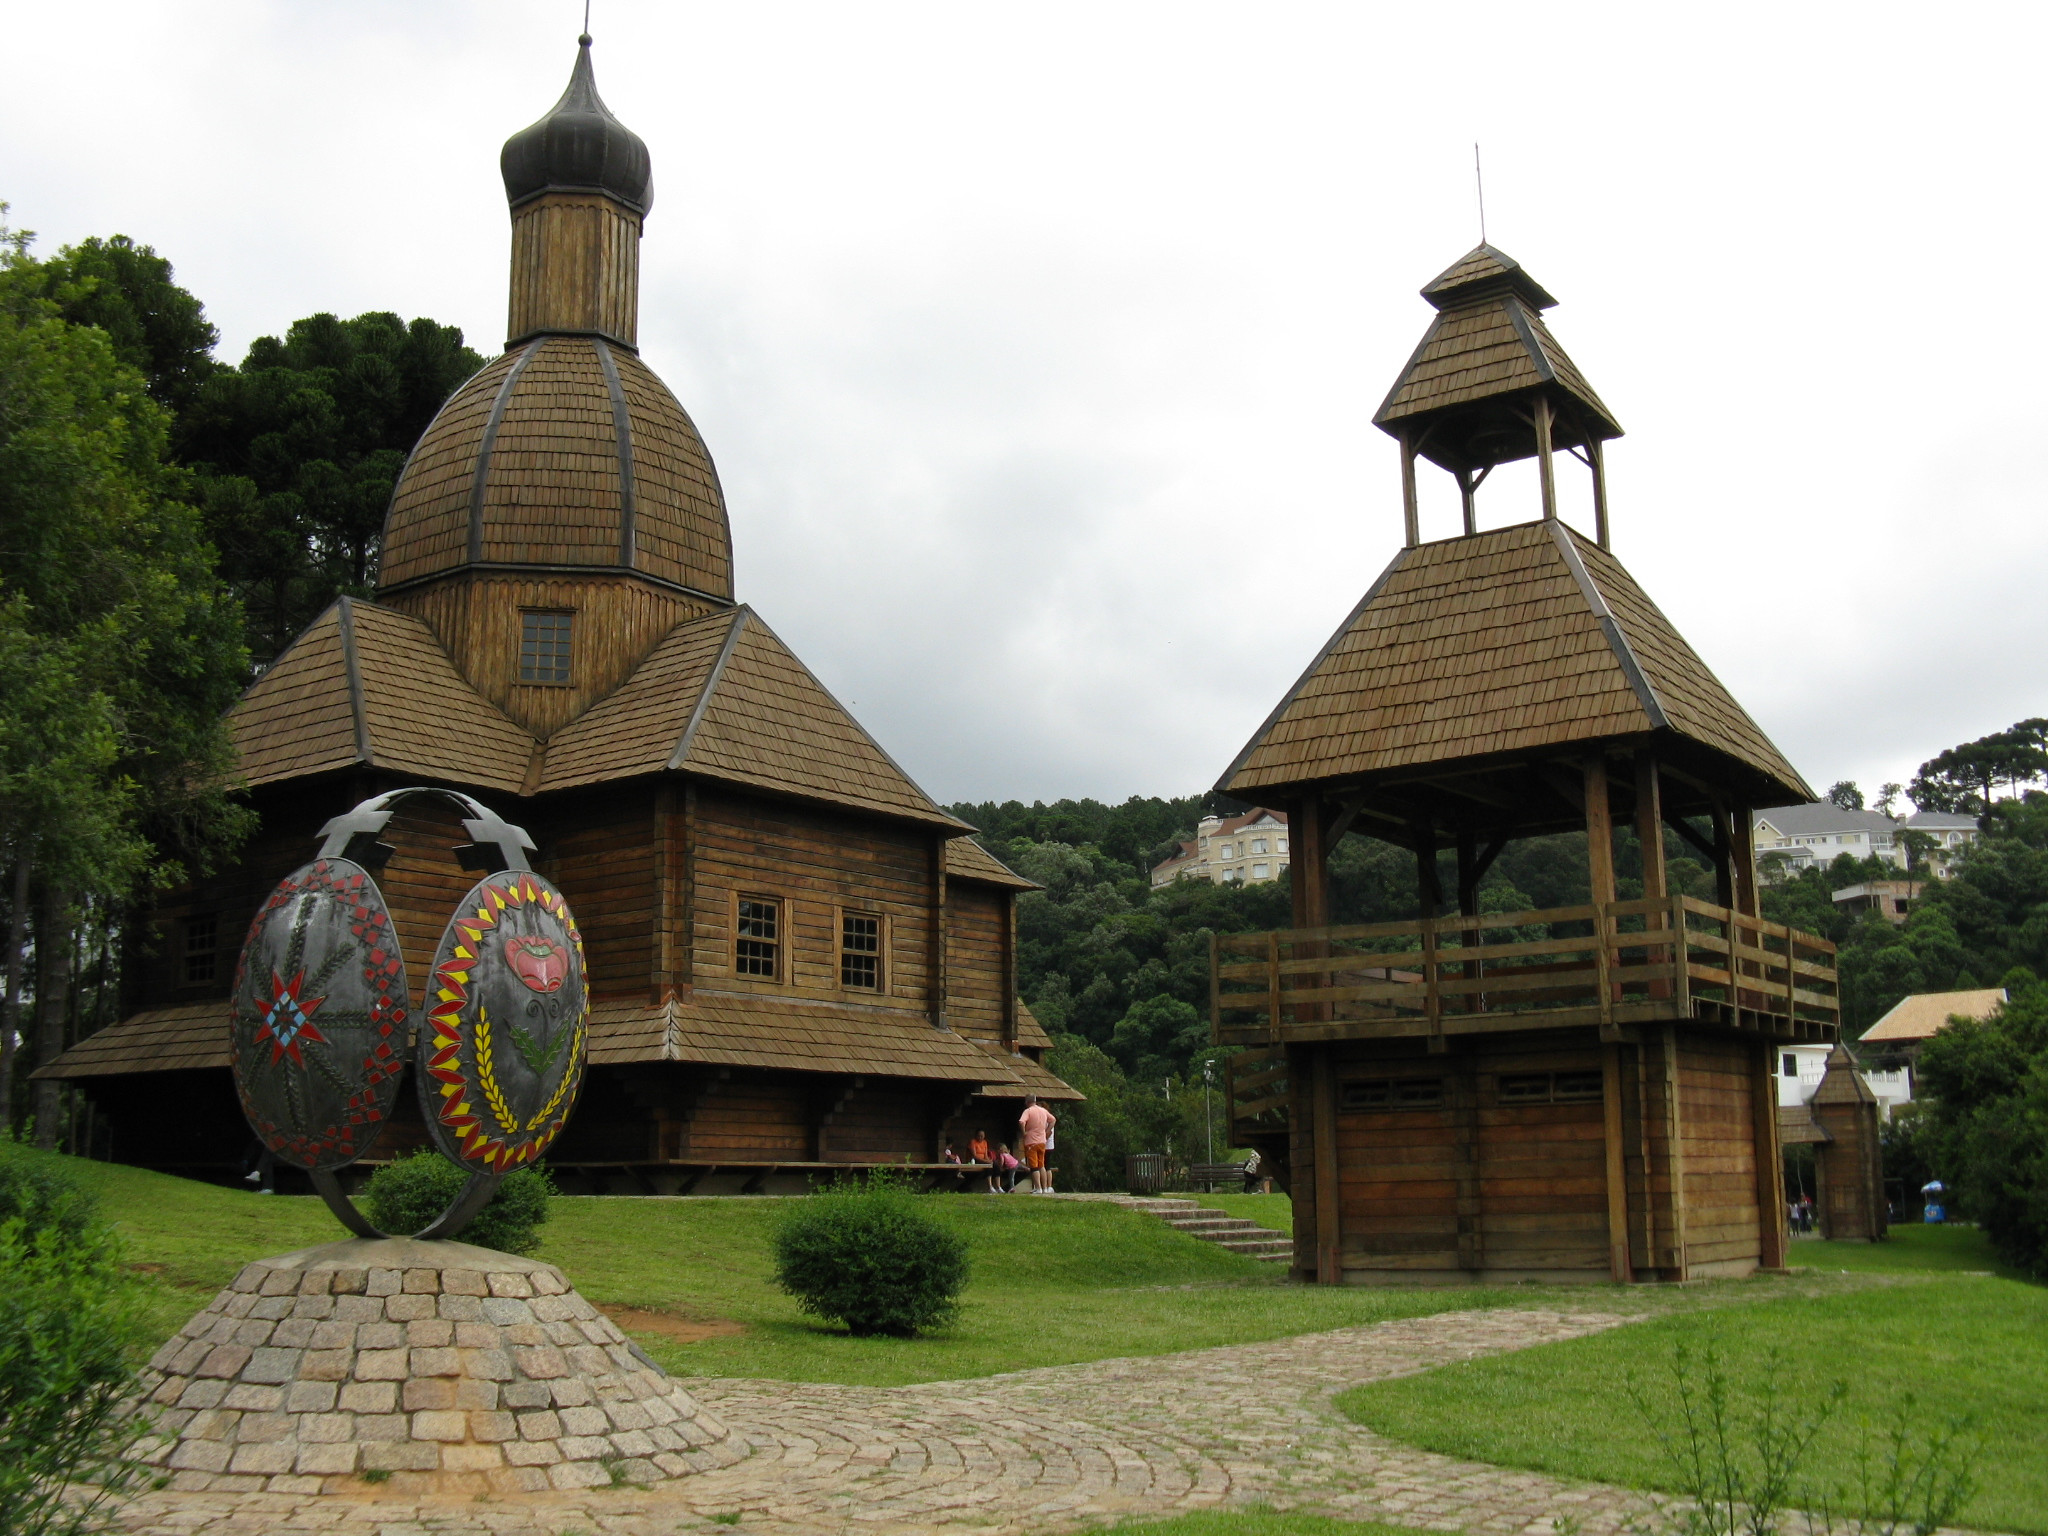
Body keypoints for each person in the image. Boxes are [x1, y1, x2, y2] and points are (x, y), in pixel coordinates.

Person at [1019, 1095, 1057, 1194]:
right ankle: (1045, 1188)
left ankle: (1038, 1188)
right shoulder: (1043, 1110)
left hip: (1031, 1142)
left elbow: (1021, 1122)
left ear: (1026, 1102)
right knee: (1042, 1165)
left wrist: (1024, 1133)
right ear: (1035, 1101)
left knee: (1034, 1166)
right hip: (1042, 1142)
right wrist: (1046, 1131)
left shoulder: (1028, 1111)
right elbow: (1053, 1120)